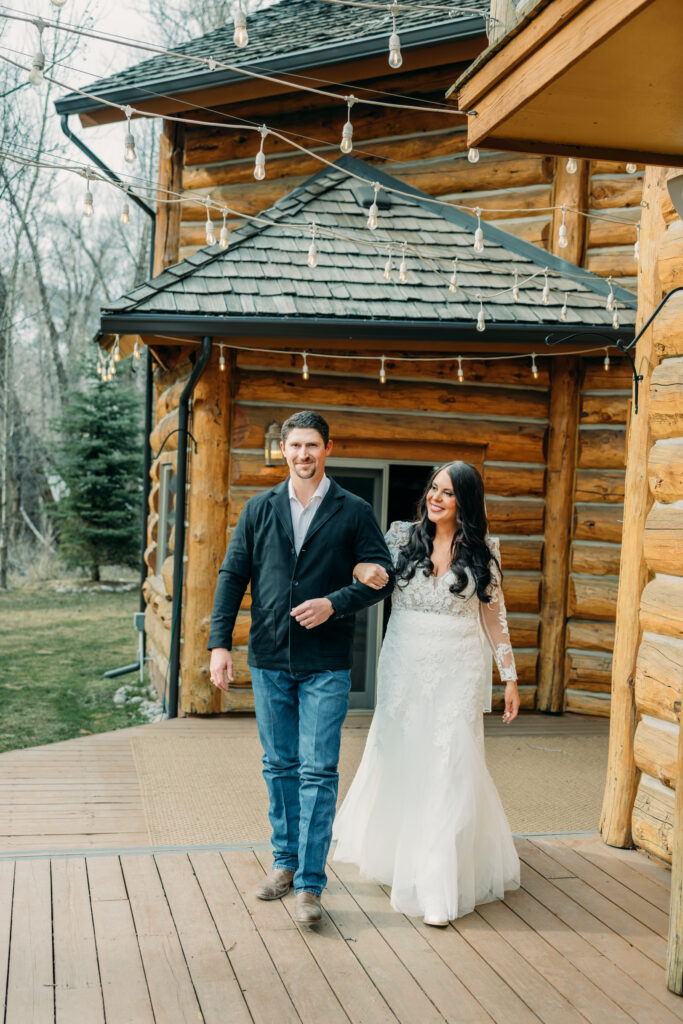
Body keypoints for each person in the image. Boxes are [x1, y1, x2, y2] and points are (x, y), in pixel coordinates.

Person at [208, 410, 394, 927]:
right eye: (295, 446)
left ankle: (311, 886)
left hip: (327, 664)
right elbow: (232, 575)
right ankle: (284, 863)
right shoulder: (259, 508)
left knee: (318, 771)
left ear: (328, 448)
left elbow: (385, 576)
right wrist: (218, 644)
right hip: (269, 658)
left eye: (312, 445)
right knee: (279, 766)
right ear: (284, 450)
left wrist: (334, 602)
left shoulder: (353, 510)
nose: (303, 455)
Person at [333, 461, 521, 926]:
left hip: (458, 665)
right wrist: (359, 567)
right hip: (404, 662)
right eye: (434, 488)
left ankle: (438, 880)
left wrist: (510, 677)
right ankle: (401, 858)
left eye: (449, 493)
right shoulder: (401, 536)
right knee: (403, 753)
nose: (436, 498)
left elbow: (493, 618)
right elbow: (363, 564)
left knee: (448, 761)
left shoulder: (483, 550)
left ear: (467, 502)